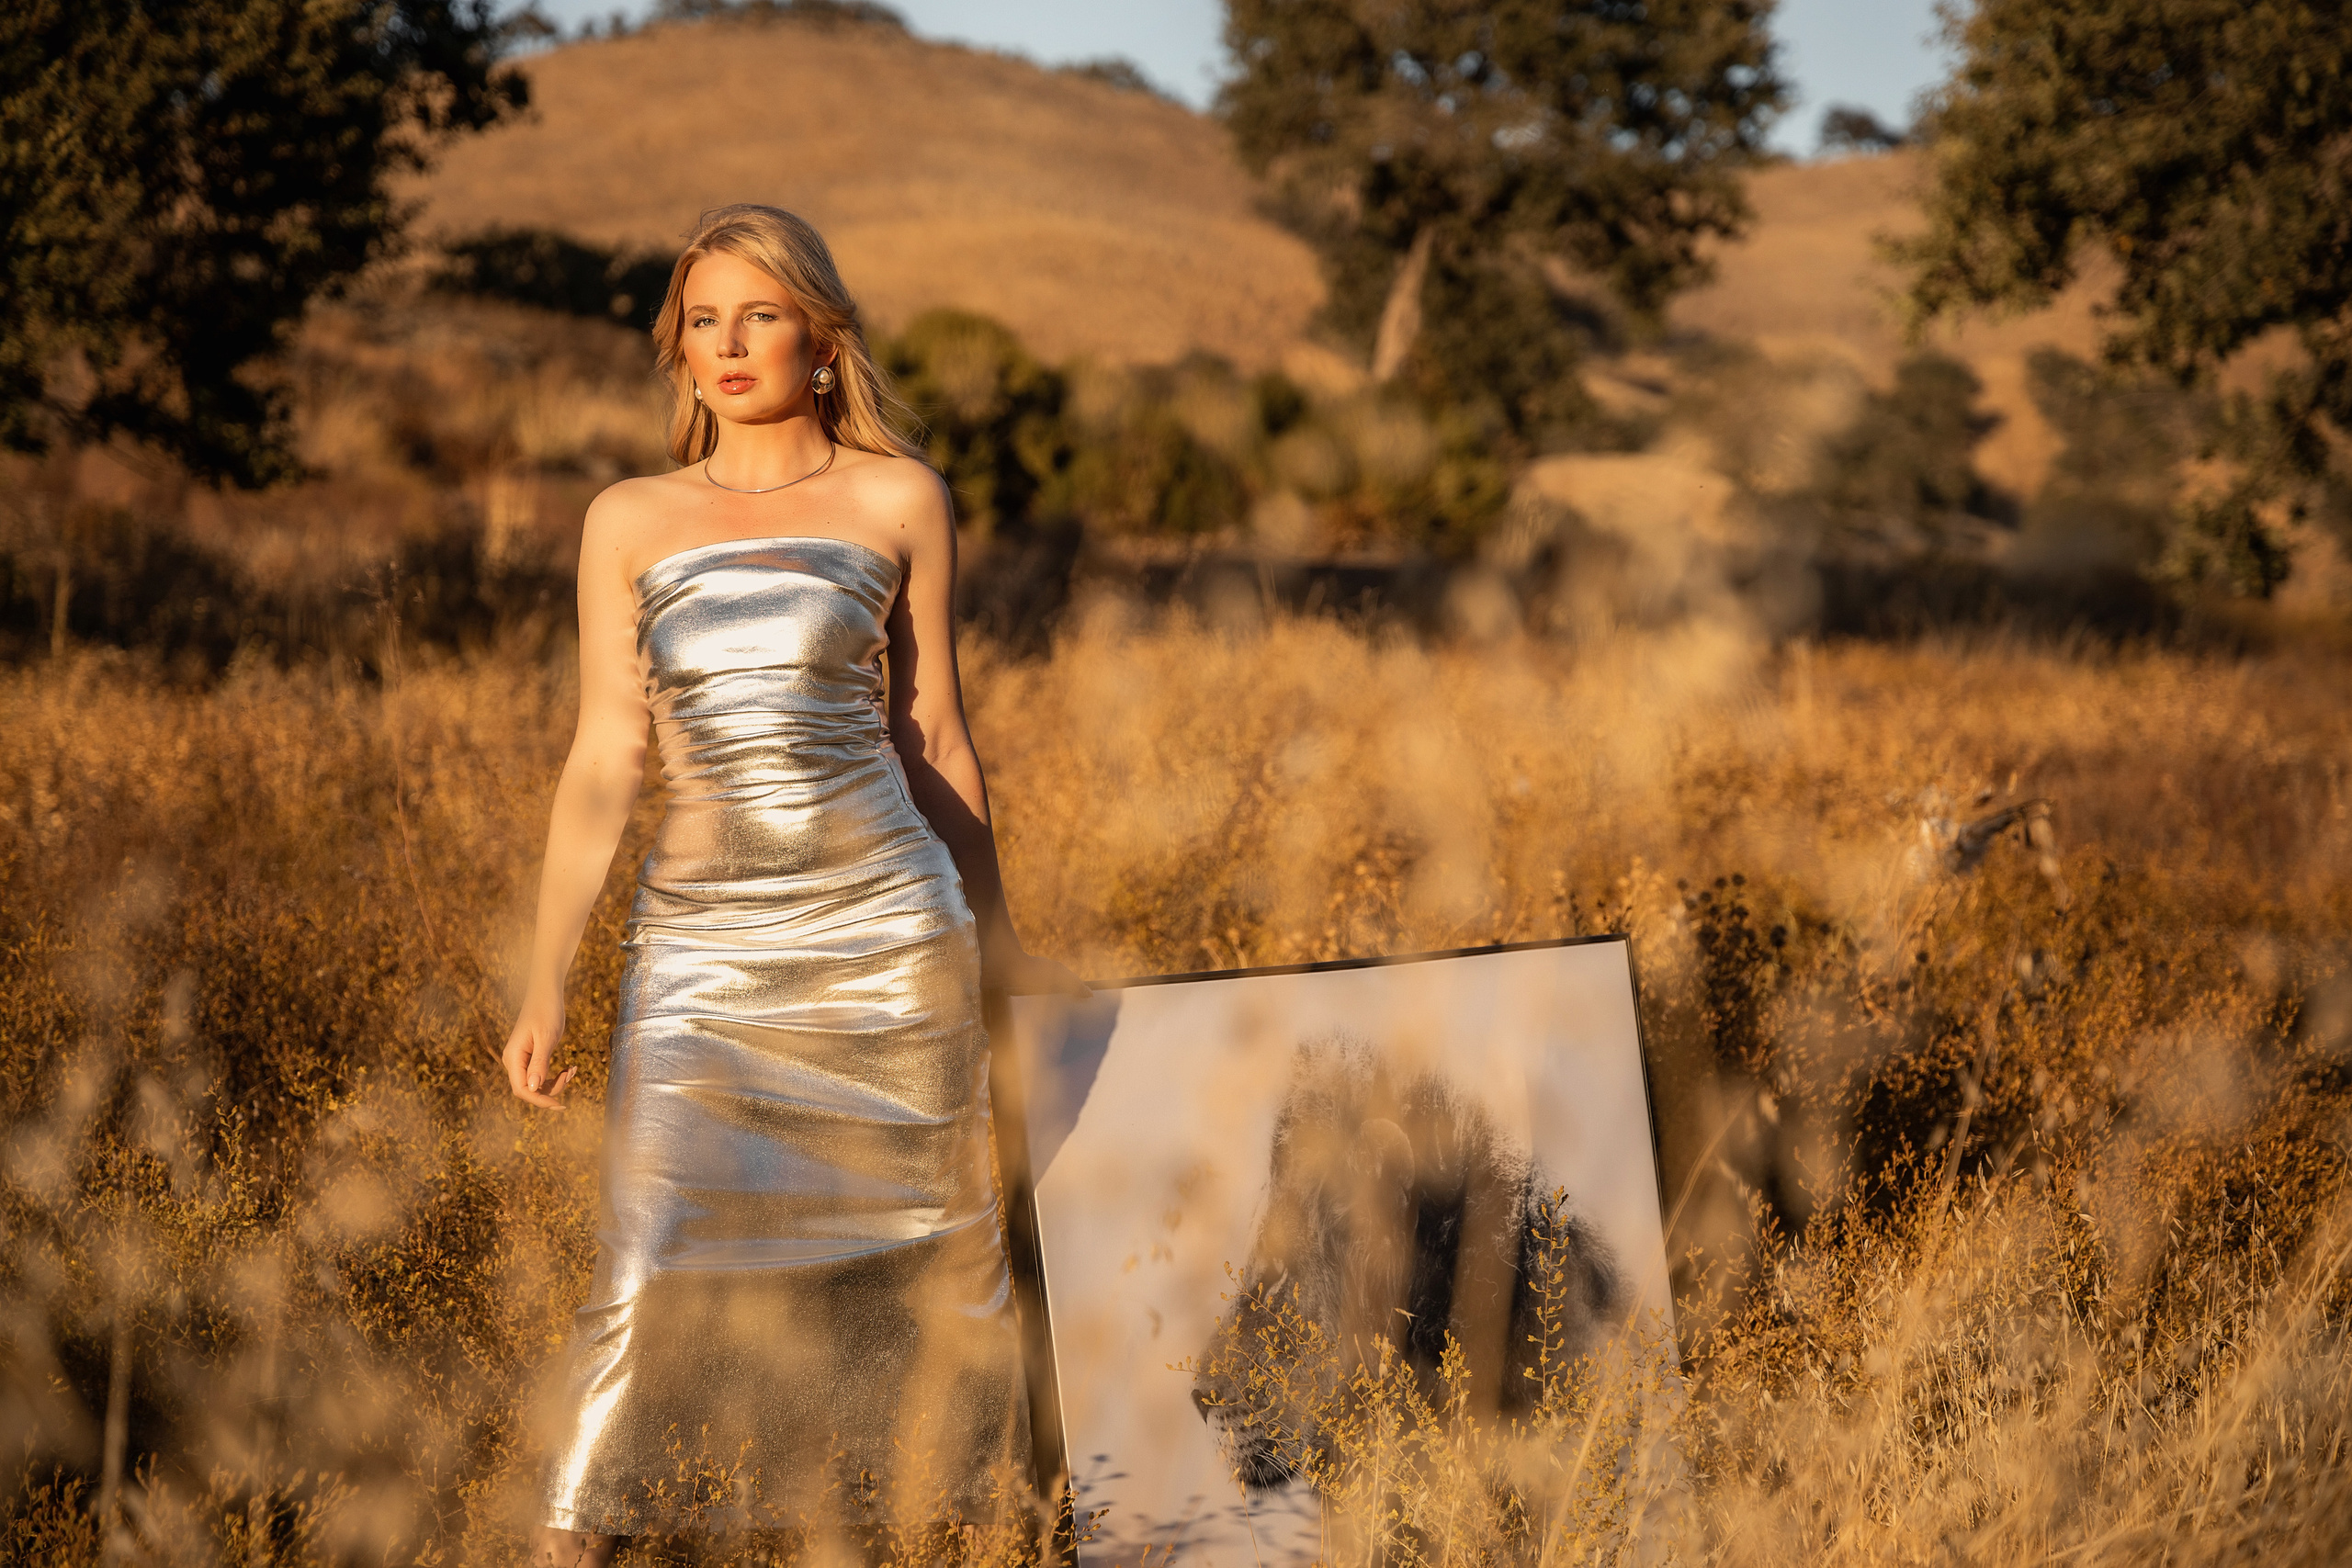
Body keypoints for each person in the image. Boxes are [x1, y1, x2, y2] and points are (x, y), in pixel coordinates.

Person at [500, 203, 1079, 1565]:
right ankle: (566, 1546)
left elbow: (931, 734)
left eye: (759, 315)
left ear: (822, 340)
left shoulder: (898, 497)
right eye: (702, 321)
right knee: (640, 1272)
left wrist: (999, 946)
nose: (727, 344)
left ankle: (954, 1529)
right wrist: (546, 982)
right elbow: (603, 753)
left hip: (890, 938)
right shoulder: (628, 519)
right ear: (678, 350)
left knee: (948, 1261)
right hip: (697, 955)